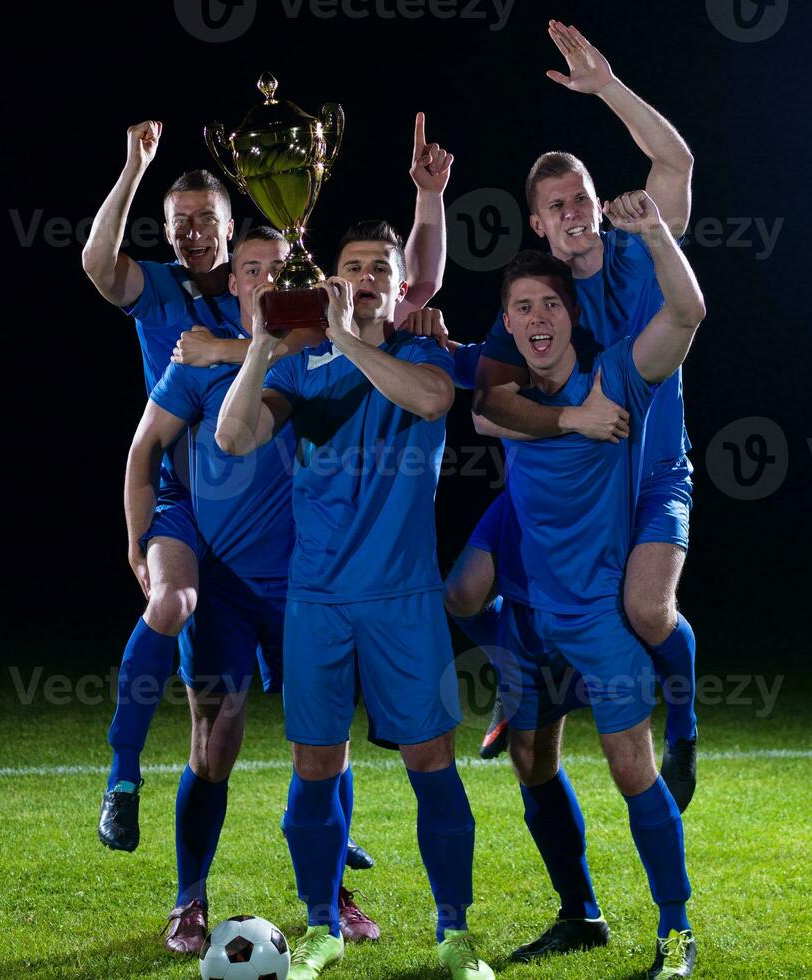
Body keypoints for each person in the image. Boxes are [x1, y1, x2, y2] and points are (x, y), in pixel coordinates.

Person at [83, 114, 453, 848]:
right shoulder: (168, 303)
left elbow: (411, 284)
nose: (194, 234)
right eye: (180, 221)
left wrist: (428, 199)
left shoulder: (300, 316)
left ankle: (333, 865)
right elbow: (100, 270)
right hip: (194, 508)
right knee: (193, 663)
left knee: (319, 718)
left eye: (208, 221)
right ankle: (126, 779)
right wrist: (133, 167)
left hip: (291, 534)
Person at [216, 222, 493, 980]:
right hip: (317, 602)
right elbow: (234, 439)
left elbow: (435, 403)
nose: (366, 275)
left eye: (380, 267)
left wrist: (348, 337)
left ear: (401, 287)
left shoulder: (421, 353)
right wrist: (264, 349)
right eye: (351, 266)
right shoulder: (301, 369)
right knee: (314, 764)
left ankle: (454, 932)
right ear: (330, 279)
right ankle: (319, 927)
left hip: (403, 598)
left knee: (431, 762)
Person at [438, 24, 701, 812]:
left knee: (646, 609)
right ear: (540, 226)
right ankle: (515, 673)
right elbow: (486, 405)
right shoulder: (535, 299)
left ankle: (683, 726)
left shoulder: (636, 249)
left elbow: (676, 165)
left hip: (649, 472)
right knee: (460, 592)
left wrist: (608, 88)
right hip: (562, 481)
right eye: (557, 206)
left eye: (581, 197)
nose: (575, 211)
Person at [123, 228, 382, 953]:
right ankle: (188, 900)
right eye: (250, 269)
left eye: (278, 268)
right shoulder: (194, 362)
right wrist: (140, 541)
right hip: (228, 587)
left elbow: (400, 302)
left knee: (325, 744)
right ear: (234, 284)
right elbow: (143, 450)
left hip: (310, 581)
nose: (264, 278)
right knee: (214, 740)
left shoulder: (328, 353)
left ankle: (331, 895)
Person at [487, 189, 705, 978]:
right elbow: (455, 392)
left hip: (596, 617)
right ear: (506, 325)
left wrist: (652, 237)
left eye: (550, 303)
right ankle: (579, 914)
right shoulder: (501, 403)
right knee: (528, 759)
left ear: (571, 314)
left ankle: (675, 932)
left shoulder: (617, 377)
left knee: (628, 770)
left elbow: (684, 315)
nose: (537, 317)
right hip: (527, 621)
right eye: (521, 307)